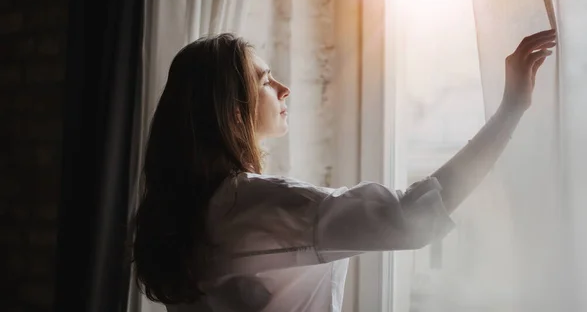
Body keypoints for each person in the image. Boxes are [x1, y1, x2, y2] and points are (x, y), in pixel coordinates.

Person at [132, 30, 556, 312]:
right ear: (231, 109)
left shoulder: (192, 209)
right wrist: (510, 110)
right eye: (264, 80)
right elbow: (409, 220)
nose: (284, 88)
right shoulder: (253, 204)